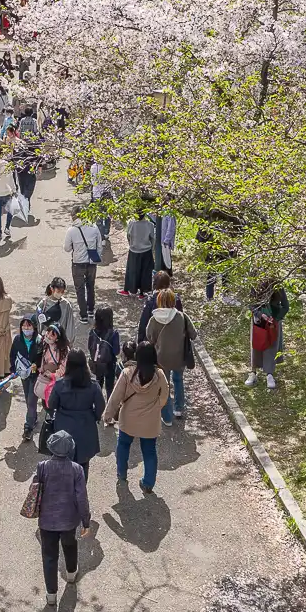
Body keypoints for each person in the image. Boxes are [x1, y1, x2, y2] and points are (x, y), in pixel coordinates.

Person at [31, 430, 93, 607]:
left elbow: (35, 488)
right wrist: (85, 521)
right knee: (70, 546)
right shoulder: (77, 469)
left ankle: (51, 594)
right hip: (68, 520)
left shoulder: (42, 466)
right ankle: (71, 573)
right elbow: (82, 498)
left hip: (47, 520)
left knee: (49, 556)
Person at [103, 343, 167, 492]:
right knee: (150, 451)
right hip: (150, 421)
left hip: (128, 419)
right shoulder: (160, 375)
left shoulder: (127, 373)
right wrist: (156, 408)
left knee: (123, 445)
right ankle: (148, 483)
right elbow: (164, 397)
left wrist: (108, 415)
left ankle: (122, 473)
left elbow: (115, 397)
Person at [47, 351, 104, 479]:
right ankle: (80, 493)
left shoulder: (60, 384)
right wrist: (95, 416)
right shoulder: (93, 385)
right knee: (83, 465)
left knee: (63, 462)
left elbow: (51, 404)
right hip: (86, 426)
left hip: (64, 428)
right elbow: (100, 406)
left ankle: (65, 492)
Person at [146, 289, 195, 426]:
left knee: (164, 385)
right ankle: (179, 409)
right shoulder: (181, 316)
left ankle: (167, 418)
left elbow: (150, 338)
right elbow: (194, 334)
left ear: (159, 301)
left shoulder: (154, 319)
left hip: (161, 358)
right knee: (178, 380)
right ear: (173, 301)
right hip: (179, 357)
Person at [246, 283, 287, 390]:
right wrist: (259, 314)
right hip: (258, 319)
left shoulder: (278, 285)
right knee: (256, 345)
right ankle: (253, 372)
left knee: (271, 345)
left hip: (273, 321)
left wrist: (276, 319)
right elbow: (250, 303)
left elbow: (285, 305)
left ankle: (269, 374)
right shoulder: (255, 282)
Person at [63, 216, 106, 318]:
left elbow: (67, 248)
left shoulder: (71, 230)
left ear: (74, 217)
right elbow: (99, 246)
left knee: (80, 289)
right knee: (91, 286)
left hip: (78, 263)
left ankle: (83, 315)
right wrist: (96, 258)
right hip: (91, 263)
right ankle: (91, 309)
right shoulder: (94, 227)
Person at [11, 317, 42, 441]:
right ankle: (33, 419)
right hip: (24, 374)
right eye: (24, 326)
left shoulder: (39, 341)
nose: (26, 329)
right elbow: (12, 354)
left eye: (28, 326)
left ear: (34, 327)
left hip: (35, 375)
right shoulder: (18, 339)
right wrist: (13, 369)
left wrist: (36, 365)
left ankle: (28, 427)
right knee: (28, 397)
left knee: (31, 400)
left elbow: (41, 356)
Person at [37, 278, 78, 350]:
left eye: (62, 291)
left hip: (61, 343)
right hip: (46, 341)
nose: (60, 293)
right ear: (52, 289)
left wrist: (68, 342)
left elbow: (70, 325)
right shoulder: (43, 304)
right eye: (58, 291)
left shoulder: (66, 304)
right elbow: (38, 325)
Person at [86, 307, 121, 391]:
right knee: (109, 387)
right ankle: (109, 402)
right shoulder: (114, 333)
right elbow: (116, 351)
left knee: (98, 384)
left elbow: (89, 347)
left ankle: (97, 401)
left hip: (97, 363)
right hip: (109, 364)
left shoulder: (93, 332)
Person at [123, 211, 156, 296]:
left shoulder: (132, 223)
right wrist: (151, 248)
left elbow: (128, 236)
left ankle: (131, 290)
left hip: (134, 250)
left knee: (132, 271)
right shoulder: (150, 225)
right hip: (146, 250)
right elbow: (152, 238)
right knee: (145, 271)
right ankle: (142, 292)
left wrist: (131, 244)